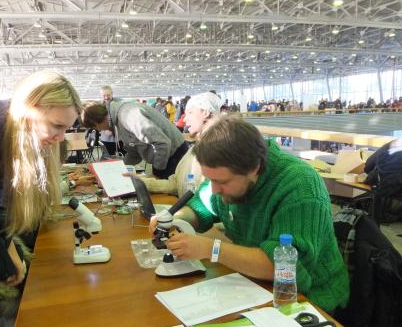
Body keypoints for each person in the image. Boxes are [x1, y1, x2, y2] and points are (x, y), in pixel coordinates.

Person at [150, 116, 349, 313]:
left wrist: (212, 249)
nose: (215, 189)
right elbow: (200, 206)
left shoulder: (300, 186)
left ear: (254, 168)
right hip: (254, 285)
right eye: (210, 180)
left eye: (222, 182)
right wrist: (174, 219)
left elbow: (283, 267)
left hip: (310, 300)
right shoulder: (229, 175)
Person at [0, 71, 82, 327]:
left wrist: (7, 247)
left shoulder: (8, 140)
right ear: (30, 106)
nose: (60, 138)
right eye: (56, 126)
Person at [138, 92, 221, 196]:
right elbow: (176, 184)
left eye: (190, 113)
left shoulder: (217, 150)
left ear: (205, 113)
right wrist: (141, 181)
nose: (185, 119)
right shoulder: (196, 148)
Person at [81, 98, 189, 178]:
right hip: (166, 156)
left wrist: (157, 173)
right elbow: (134, 153)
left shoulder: (129, 116)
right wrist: (117, 168)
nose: (99, 131)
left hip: (175, 156)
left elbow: (163, 144)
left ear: (96, 122)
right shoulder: (118, 120)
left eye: (95, 128)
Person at [98, 85, 117, 156]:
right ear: (100, 95)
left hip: (120, 138)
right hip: (106, 139)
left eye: (108, 95)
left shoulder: (119, 103)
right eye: (104, 95)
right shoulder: (99, 106)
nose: (106, 97)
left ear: (112, 93)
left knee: (122, 159)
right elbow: (97, 121)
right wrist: (104, 129)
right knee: (108, 158)